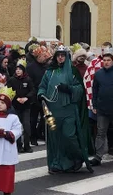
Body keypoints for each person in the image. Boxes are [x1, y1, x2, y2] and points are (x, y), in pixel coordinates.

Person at [39, 46, 92, 174]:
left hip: (68, 110)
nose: (60, 57)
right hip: (52, 110)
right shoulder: (49, 72)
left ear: (66, 56)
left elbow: (80, 89)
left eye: (63, 55)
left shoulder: (73, 71)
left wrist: (69, 89)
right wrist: (41, 94)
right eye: (58, 55)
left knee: (69, 136)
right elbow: (42, 86)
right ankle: (57, 163)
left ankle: (78, 158)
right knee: (55, 138)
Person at [7, 61, 36, 153]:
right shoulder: (12, 80)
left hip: (26, 107)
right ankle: (19, 145)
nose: (18, 71)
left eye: (20, 69)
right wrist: (16, 98)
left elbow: (32, 90)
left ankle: (27, 145)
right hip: (16, 106)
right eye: (17, 69)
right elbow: (9, 90)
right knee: (17, 126)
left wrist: (26, 97)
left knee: (26, 126)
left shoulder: (27, 79)